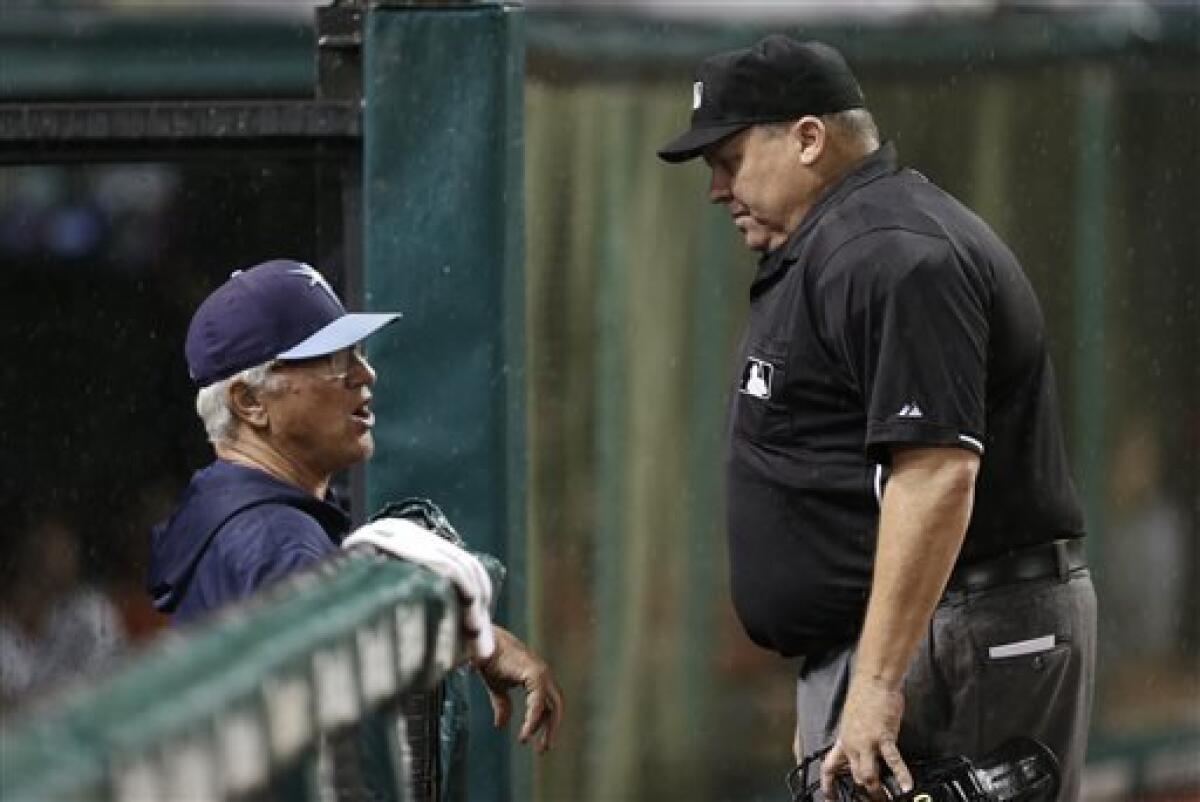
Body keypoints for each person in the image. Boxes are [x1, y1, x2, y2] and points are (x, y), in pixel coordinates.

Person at [658, 36, 1095, 800]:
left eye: (727, 160)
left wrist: (875, 680)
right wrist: (838, 672)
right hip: (908, 632)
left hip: (960, 625)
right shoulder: (837, 247)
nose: (716, 189)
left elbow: (935, 475)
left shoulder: (893, 251)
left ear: (807, 138)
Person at [147, 258, 562, 753]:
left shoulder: (229, 508)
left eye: (356, 352)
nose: (364, 373)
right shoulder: (274, 542)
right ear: (248, 402)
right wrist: (467, 637)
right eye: (330, 358)